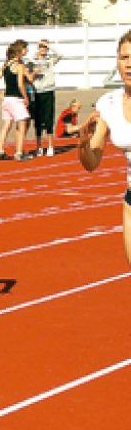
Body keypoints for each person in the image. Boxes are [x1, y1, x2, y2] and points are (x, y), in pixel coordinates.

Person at [78, 30, 131, 292]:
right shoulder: (108, 103)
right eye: (124, 57)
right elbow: (92, 162)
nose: (129, 63)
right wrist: (83, 143)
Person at [0, 40, 34, 161]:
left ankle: (0, 150)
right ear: (19, 52)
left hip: (7, 99)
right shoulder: (20, 66)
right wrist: (26, 98)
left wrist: (1, 96)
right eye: (25, 49)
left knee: (6, 126)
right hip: (16, 99)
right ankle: (19, 152)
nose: (26, 51)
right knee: (22, 125)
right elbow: (21, 84)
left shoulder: (5, 65)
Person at [29, 40, 62, 157]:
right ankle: (39, 146)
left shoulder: (50, 60)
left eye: (45, 47)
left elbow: (60, 55)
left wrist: (50, 46)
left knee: (48, 119)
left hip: (48, 91)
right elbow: (28, 70)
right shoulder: (33, 60)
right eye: (41, 47)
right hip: (37, 92)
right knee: (38, 120)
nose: (43, 49)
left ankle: (50, 146)